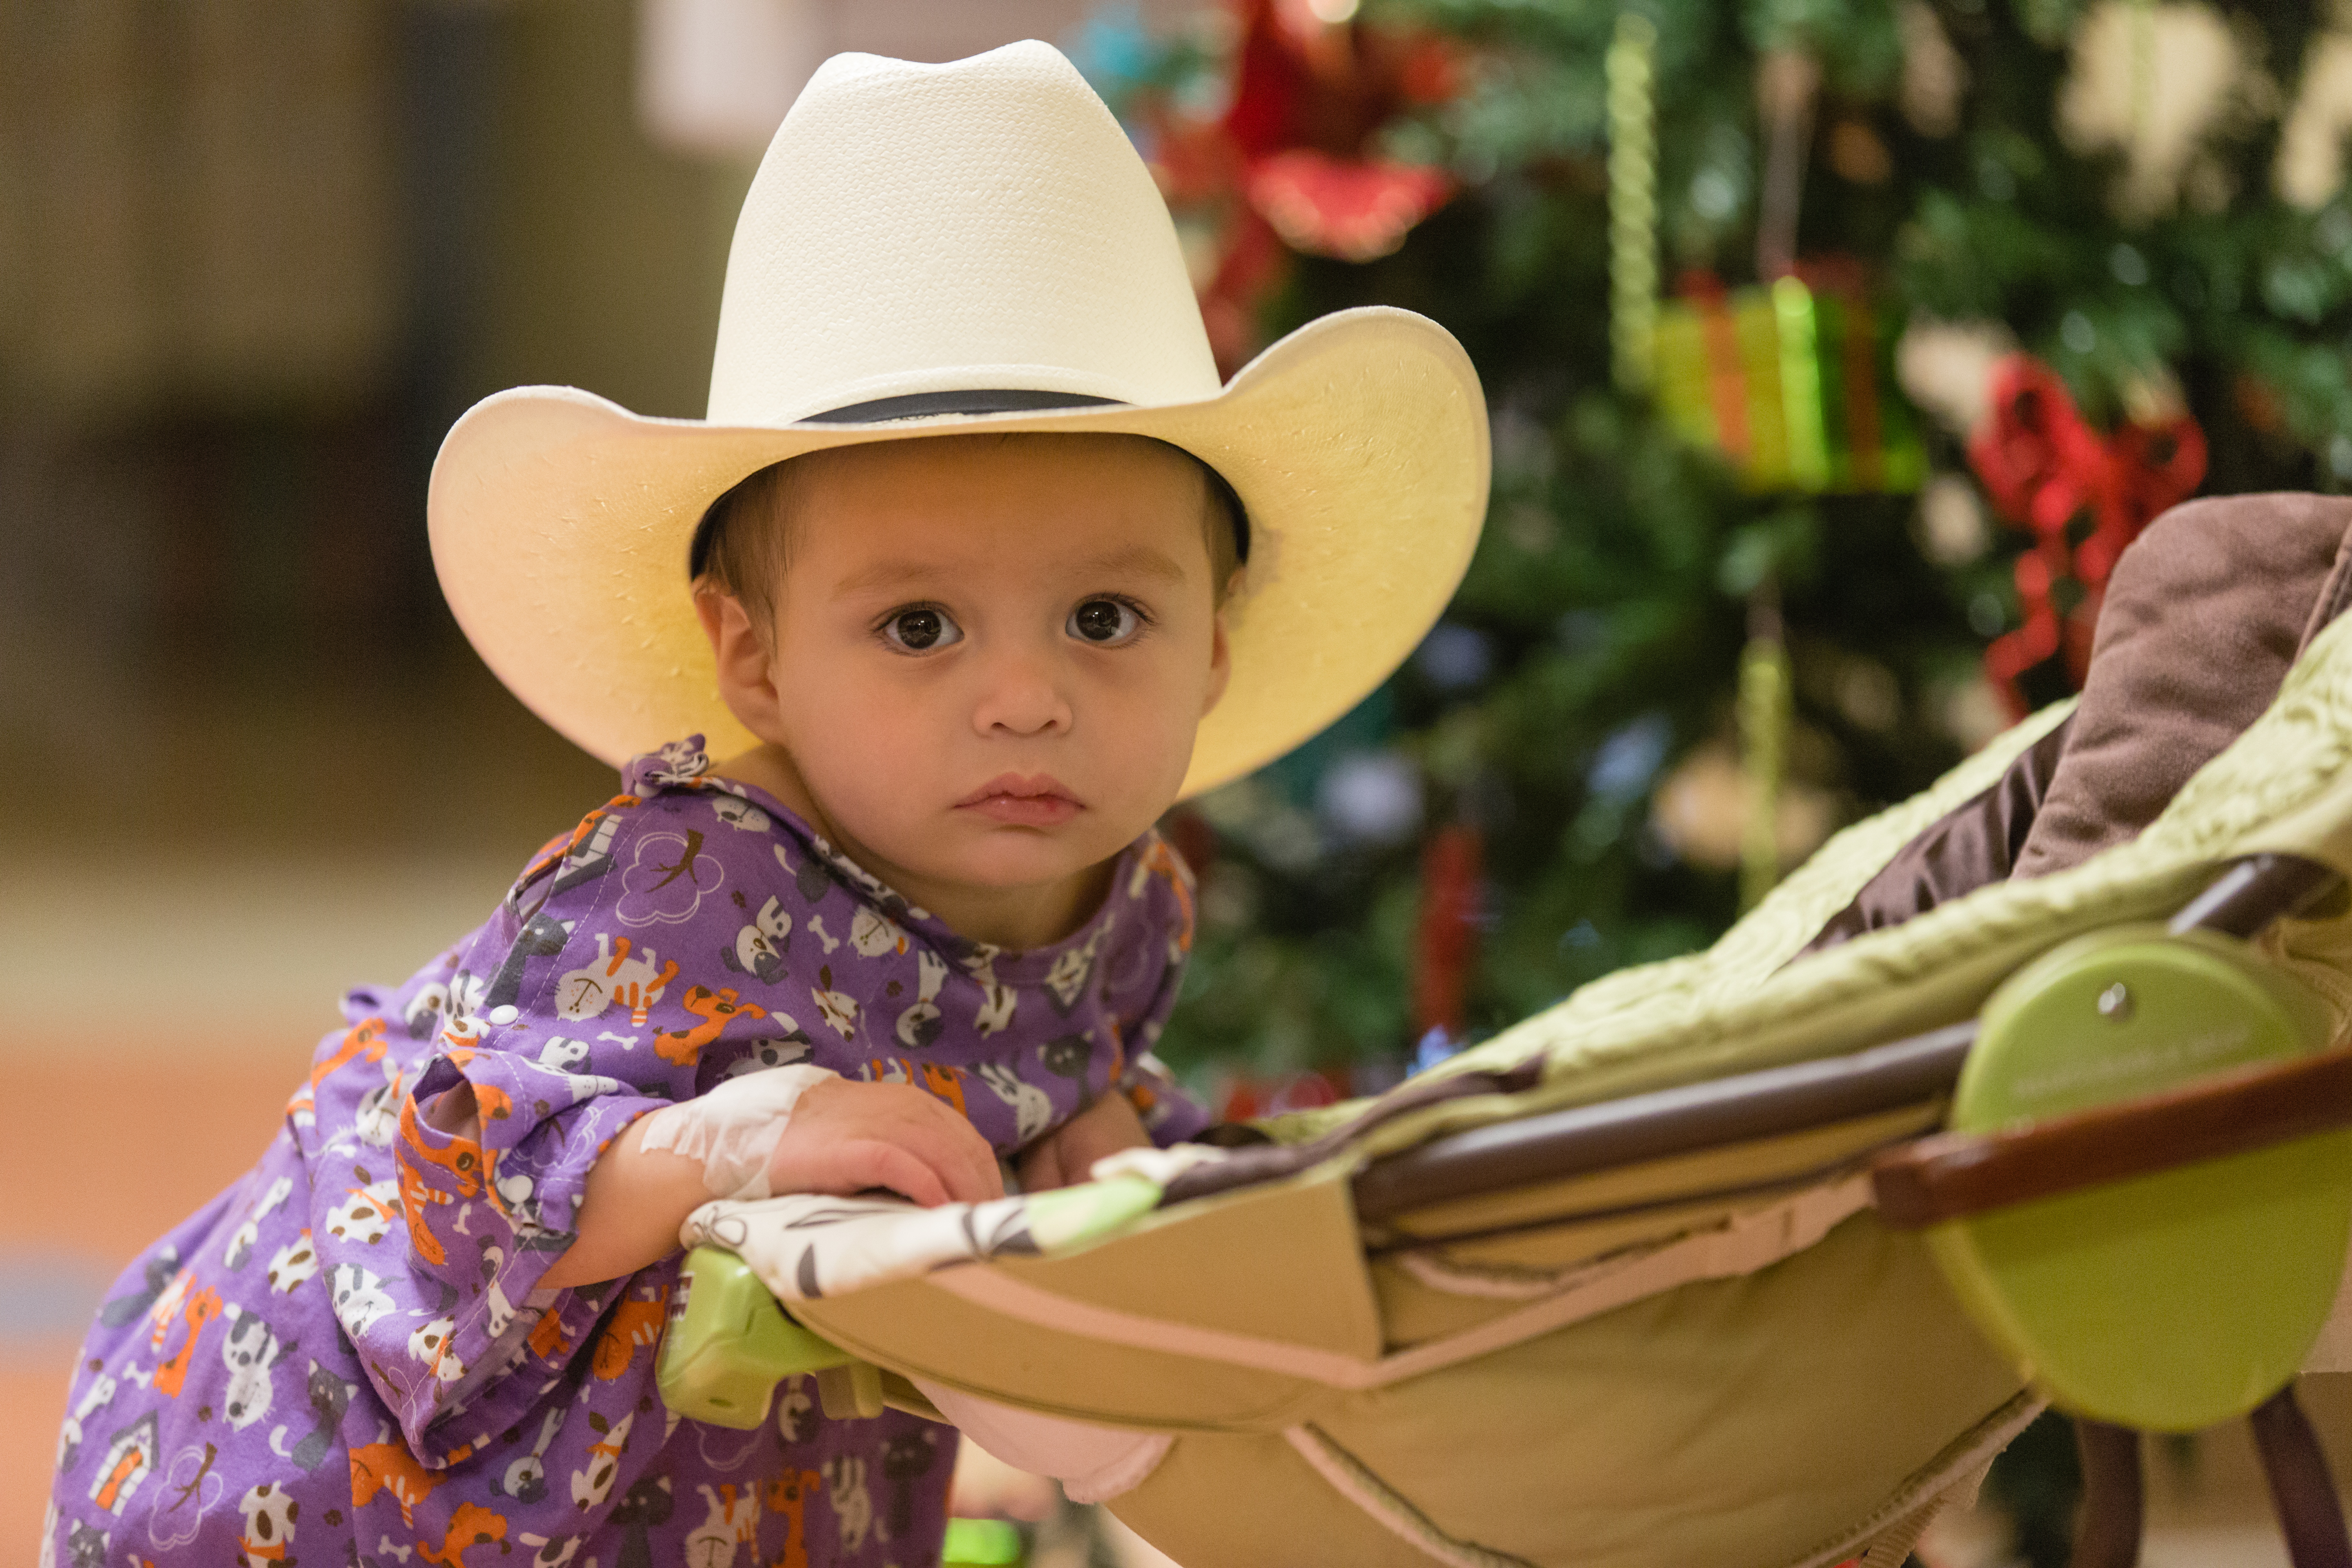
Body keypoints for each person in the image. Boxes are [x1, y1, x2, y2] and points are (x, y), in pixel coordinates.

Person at [42, 38, 1486, 1568]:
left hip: (741, 1479)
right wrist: (730, 1145)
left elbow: (1050, 1074)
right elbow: (453, 1189)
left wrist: (1113, 1151)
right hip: (388, 1485)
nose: (1024, 698)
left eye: (1106, 618)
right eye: (919, 627)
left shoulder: (1126, 900)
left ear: (1216, 639)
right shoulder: (683, 891)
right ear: (755, 658)